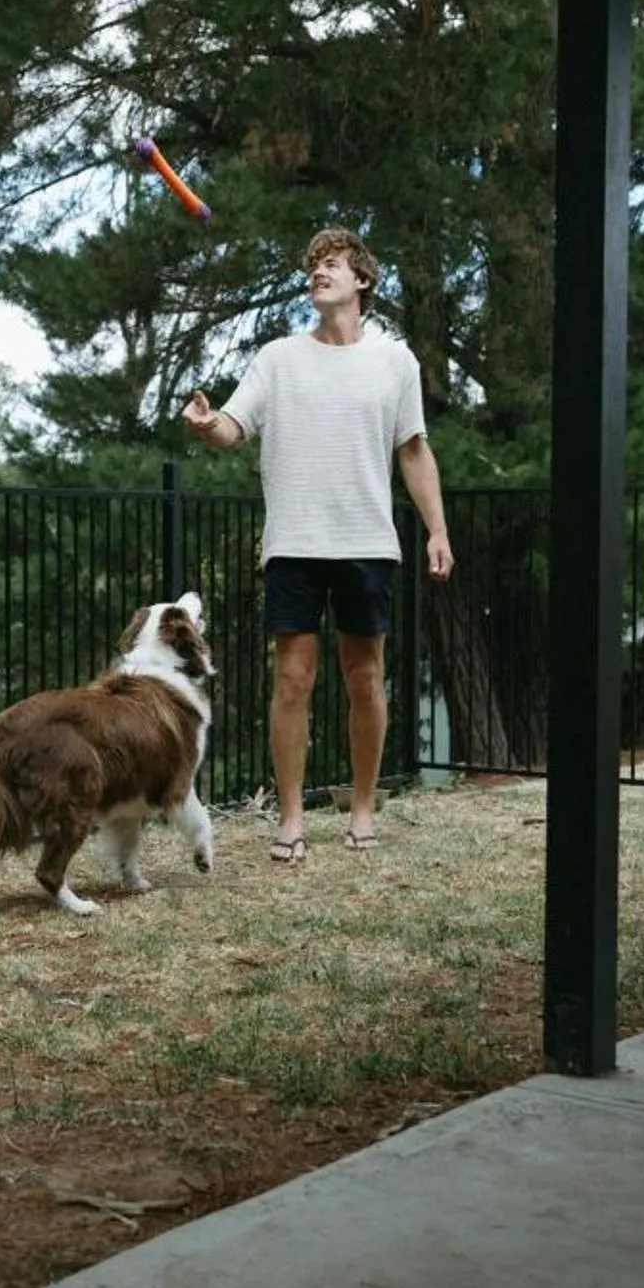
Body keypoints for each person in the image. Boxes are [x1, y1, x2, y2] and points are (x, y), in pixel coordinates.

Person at [181, 226, 455, 860]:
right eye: (311, 267)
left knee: (365, 679)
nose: (317, 273)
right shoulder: (277, 359)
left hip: (366, 542)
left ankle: (362, 809)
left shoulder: (396, 361)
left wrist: (437, 530)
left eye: (330, 264)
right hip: (295, 542)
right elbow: (232, 426)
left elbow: (413, 450)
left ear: (362, 280)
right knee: (292, 682)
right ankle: (292, 820)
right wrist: (205, 423)